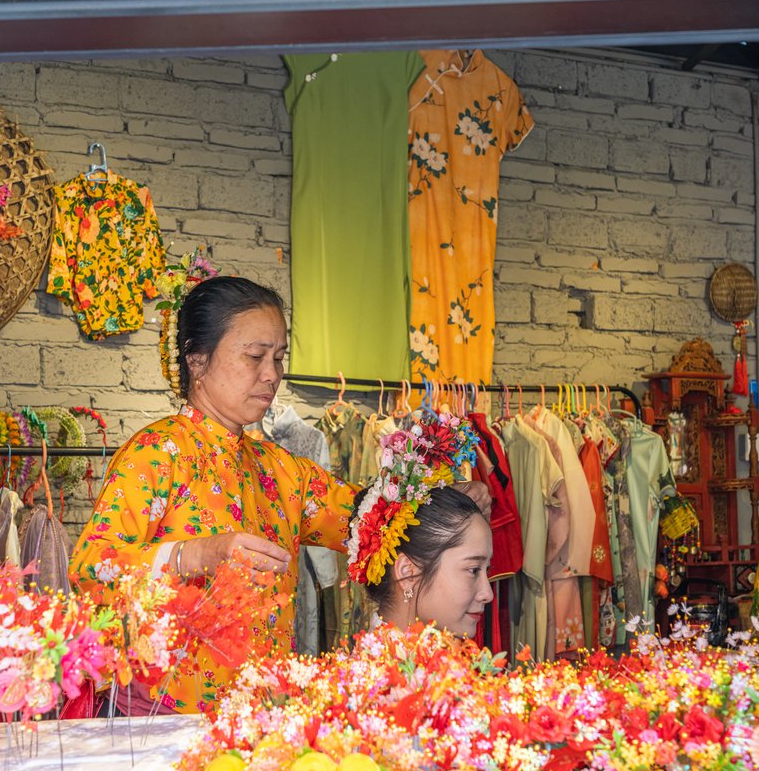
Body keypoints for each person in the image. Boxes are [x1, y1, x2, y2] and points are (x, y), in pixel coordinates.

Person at [70, 276, 356, 715]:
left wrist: (435, 496)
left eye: (278, 358)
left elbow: (364, 523)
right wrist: (194, 554)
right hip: (166, 717)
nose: (272, 375)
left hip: (258, 716)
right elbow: (91, 568)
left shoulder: (279, 467)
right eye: (255, 357)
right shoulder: (158, 453)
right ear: (197, 360)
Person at [345, 417, 494, 638]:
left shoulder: (413, 665)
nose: (488, 594)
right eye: (473, 570)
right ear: (407, 572)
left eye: (486, 571)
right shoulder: (385, 672)